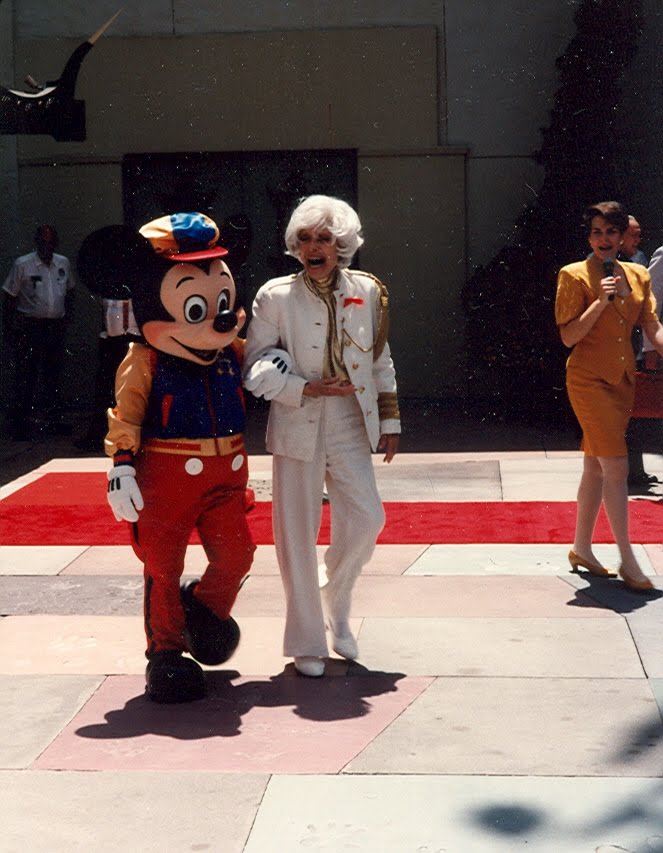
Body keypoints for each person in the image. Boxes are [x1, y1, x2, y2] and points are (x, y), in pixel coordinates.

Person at [244, 195, 400, 677]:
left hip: (352, 420)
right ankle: (307, 641)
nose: (314, 247)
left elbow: (379, 358)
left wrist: (390, 421)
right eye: (306, 239)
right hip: (297, 419)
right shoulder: (274, 296)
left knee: (368, 518)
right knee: (296, 534)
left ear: (342, 245)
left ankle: (338, 593)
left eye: (325, 239)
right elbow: (254, 365)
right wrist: (304, 387)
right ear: (295, 244)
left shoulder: (368, 291)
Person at [555, 200, 663, 592]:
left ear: (622, 238)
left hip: (622, 381)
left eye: (611, 232)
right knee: (616, 467)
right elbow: (568, 336)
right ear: (589, 236)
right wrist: (600, 299)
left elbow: (652, 327)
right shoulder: (573, 275)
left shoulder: (637, 275)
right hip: (587, 380)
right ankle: (628, 559)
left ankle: (582, 547)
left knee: (595, 467)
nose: (604, 239)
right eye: (597, 232)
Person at [2, 224, 74, 439]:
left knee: (52, 375)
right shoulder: (23, 265)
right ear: (37, 243)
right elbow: (10, 296)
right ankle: (20, 425)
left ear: (55, 244)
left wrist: (66, 318)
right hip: (30, 326)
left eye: (50, 242)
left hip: (54, 326)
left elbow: (70, 291)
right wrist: (10, 328)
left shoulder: (63, 263)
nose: (47, 246)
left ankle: (52, 422)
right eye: (43, 242)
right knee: (27, 375)